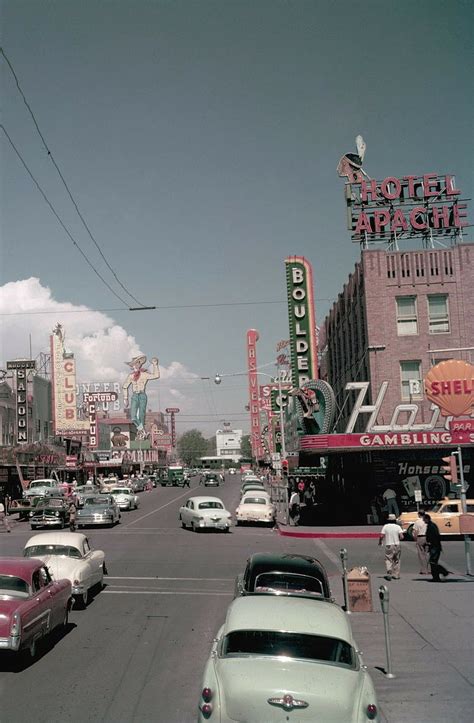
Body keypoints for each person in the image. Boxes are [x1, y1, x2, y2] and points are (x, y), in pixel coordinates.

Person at [123, 355, 160, 439]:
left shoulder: (144, 374)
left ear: (140, 364)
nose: (137, 364)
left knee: (141, 415)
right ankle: (142, 431)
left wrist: (155, 365)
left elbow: (156, 375)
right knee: (133, 417)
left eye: (138, 362)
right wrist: (125, 398)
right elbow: (125, 386)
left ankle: (141, 433)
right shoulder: (131, 376)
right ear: (132, 365)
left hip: (142, 395)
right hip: (134, 396)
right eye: (135, 363)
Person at [424, 513, 450, 581]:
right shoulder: (430, 525)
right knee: (433, 562)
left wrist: (430, 543)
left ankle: (443, 572)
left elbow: (435, 537)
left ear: (427, 519)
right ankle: (436, 577)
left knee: (433, 562)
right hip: (434, 546)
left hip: (435, 547)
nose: (424, 521)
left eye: (424, 519)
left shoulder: (431, 526)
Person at [379, 513, 404, 580]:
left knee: (388, 559)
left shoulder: (385, 526)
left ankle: (389, 570)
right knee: (397, 560)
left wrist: (380, 541)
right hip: (397, 544)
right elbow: (402, 536)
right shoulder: (398, 527)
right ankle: (396, 575)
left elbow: (381, 536)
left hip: (389, 544)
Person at [413, 510, 429, 575]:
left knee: (421, 554)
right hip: (427, 537)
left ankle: (424, 570)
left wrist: (415, 539)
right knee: (427, 554)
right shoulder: (427, 521)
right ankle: (429, 569)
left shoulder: (417, 522)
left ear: (419, 514)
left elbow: (415, 531)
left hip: (420, 537)